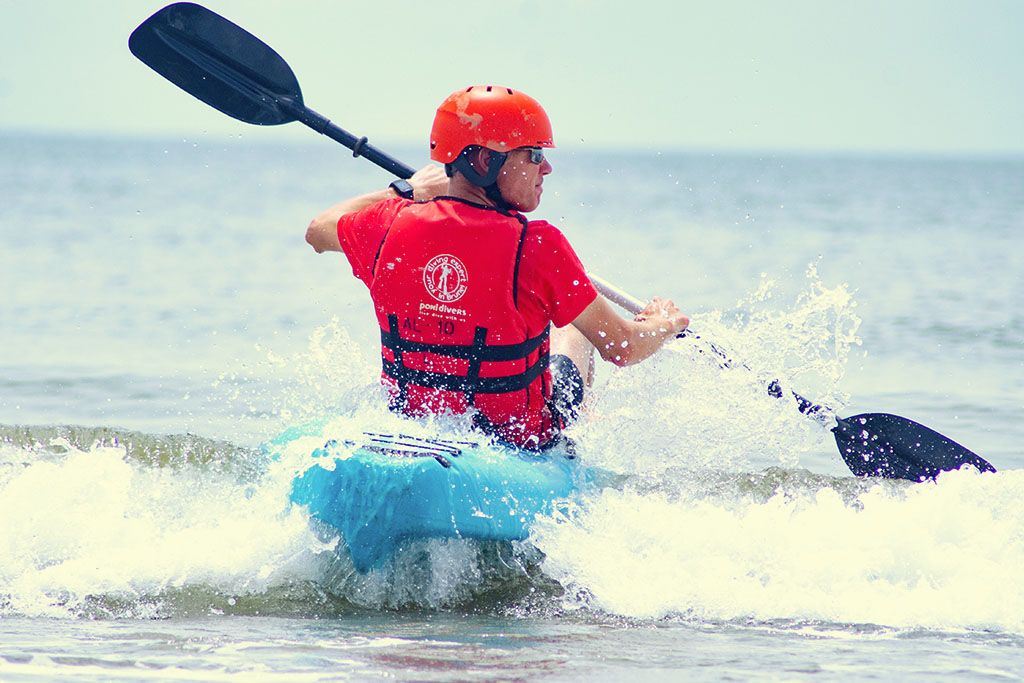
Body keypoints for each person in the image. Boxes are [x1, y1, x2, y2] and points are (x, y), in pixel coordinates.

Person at [305, 85, 689, 449]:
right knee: (574, 322)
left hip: (410, 424)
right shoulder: (539, 245)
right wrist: (664, 323)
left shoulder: (388, 222)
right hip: (522, 445)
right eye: (535, 155)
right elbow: (623, 346)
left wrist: (407, 189)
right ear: (487, 160)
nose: (547, 168)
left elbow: (318, 230)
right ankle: (581, 424)